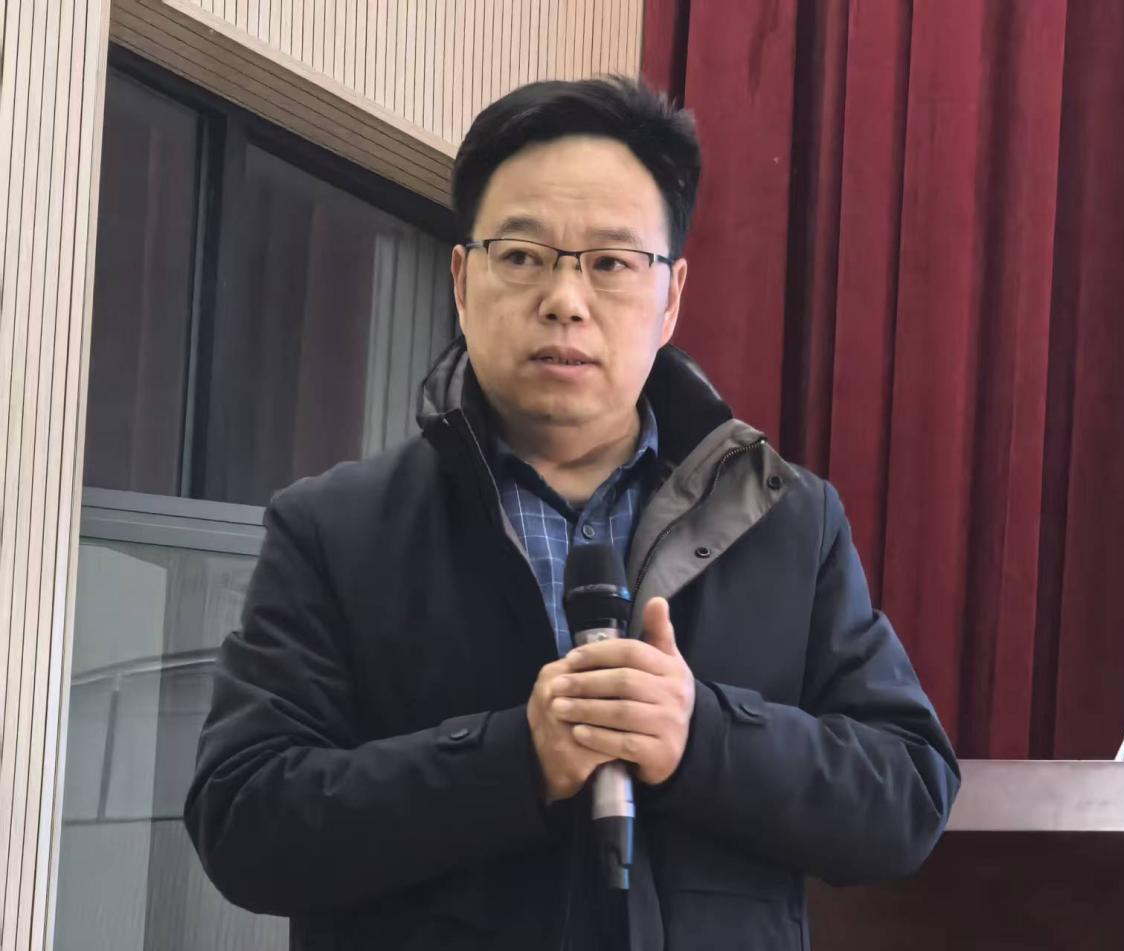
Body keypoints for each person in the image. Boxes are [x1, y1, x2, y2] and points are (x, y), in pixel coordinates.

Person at [184, 76, 959, 951]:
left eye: (610, 262)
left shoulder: (786, 520)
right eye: (522, 255)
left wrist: (702, 735)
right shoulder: (333, 528)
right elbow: (243, 819)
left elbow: (907, 794)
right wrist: (514, 759)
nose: (564, 298)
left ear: (670, 297)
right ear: (461, 278)